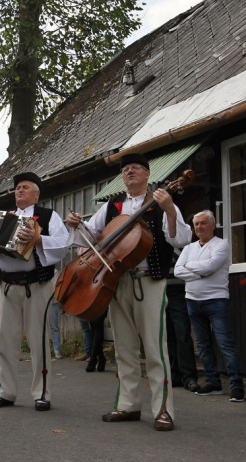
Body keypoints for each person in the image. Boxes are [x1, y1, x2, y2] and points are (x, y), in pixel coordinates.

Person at [66, 153, 191, 431]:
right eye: (125, 170)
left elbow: (180, 239)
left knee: (156, 349)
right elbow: (93, 234)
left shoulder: (160, 201)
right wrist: (77, 224)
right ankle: (128, 405)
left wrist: (170, 210)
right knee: (124, 348)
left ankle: (163, 410)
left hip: (150, 280)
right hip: (116, 280)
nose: (129, 172)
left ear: (147, 174)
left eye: (135, 168)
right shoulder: (113, 204)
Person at [0, 172, 69, 412]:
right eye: (17, 187)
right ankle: (6, 391)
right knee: (6, 341)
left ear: (36, 193)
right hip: (8, 286)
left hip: (37, 285)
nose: (19, 191)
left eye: (25, 187)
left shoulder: (49, 216)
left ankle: (42, 393)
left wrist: (38, 238)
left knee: (38, 340)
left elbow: (63, 245)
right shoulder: (5, 217)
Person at [174, 210, 244, 402]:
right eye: (196, 224)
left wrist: (193, 268)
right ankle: (213, 383)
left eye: (203, 223)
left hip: (216, 300)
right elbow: (178, 271)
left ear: (213, 225)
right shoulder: (188, 248)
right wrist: (200, 272)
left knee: (225, 344)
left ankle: (236, 386)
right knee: (203, 345)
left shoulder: (221, 245)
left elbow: (211, 267)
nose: (199, 227)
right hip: (192, 301)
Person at [165, 249, 200, 392]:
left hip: (178, 292)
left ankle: (189, 376)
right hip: (160, 292)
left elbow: (186, 263)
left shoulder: (184, 246)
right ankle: (174, 375)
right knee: (168, 336)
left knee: (182, 334)